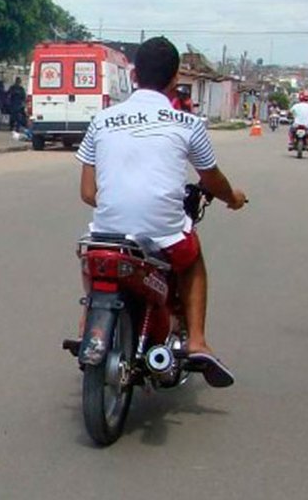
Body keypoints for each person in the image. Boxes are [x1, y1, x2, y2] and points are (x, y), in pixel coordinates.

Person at [76, 37, 247, 388]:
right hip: (164, 234)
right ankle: (197, 340)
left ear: (134, 75)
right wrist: (233, 198)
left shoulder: (102, 120)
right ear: (174, 80)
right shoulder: (188, 124)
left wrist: (120, 203)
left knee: (95, 255)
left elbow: (88, 193)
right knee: (193, 260)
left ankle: (87, 323)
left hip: (107, 232)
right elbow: (212, 180)